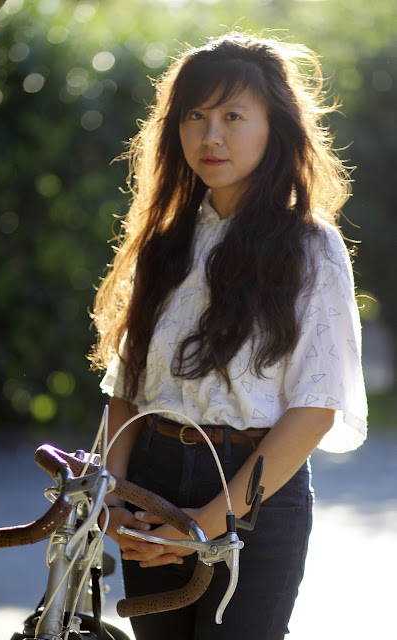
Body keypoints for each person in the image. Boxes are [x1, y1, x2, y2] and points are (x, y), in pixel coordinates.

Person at [91, 31, 367, 640]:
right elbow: (126, 389)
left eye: (233, 116)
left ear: (276, 128)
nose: (211, 136)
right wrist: (110, 502)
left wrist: (205, 522)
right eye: (195, 115)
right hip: (150, 485)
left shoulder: (308, 248)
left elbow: (315, 409)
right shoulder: (166, 241)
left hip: (253, 492)